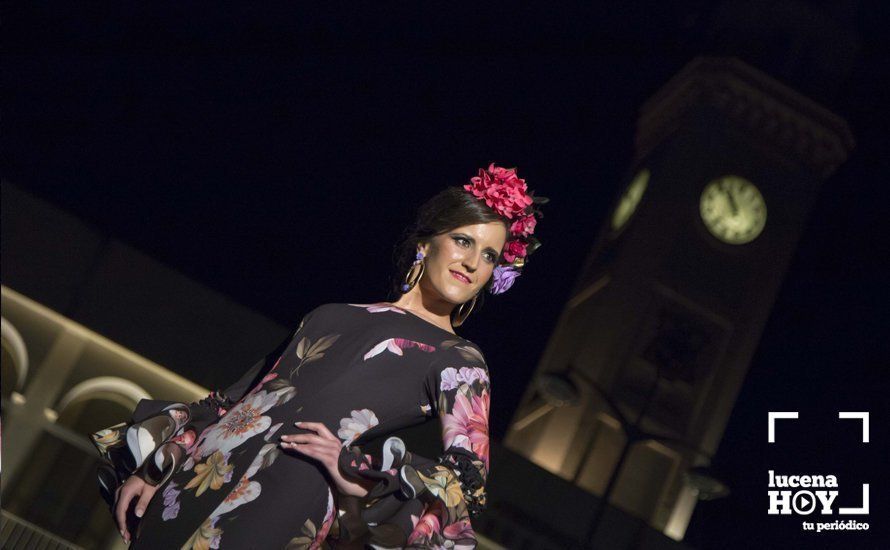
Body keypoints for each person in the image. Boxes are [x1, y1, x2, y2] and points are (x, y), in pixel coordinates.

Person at [90, 163, 547, 548]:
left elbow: (467, 481)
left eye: (489, 255)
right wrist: (153, 470)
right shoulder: (330, 315)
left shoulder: (460, 360)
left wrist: (357, 469)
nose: (473, 262)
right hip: (199, 473)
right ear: (426, 243)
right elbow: (231, 402)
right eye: (463, 241)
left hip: (287, 497)